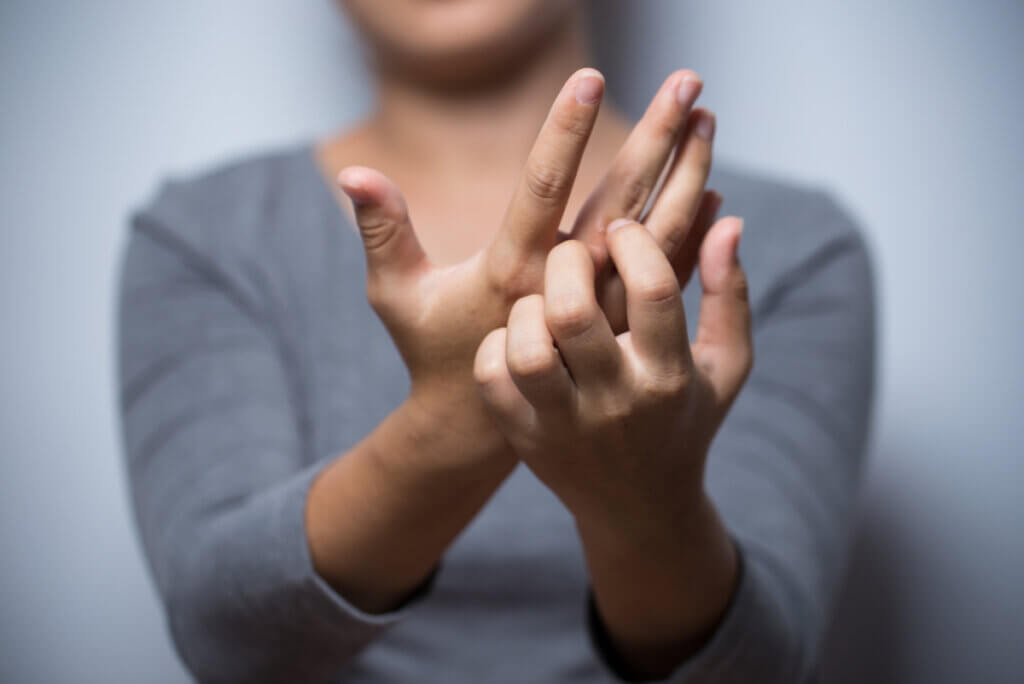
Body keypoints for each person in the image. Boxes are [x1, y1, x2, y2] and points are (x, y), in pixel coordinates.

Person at [118, 1, 875, 682]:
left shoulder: (788, 248)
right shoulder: (207, 235)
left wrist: (647, 506)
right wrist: (462, 414)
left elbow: (760, 668)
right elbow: (226, 638)